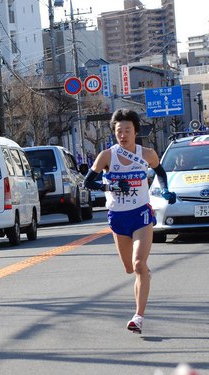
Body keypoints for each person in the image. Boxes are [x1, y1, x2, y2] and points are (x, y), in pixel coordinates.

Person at [83, 108, 176, 334]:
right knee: (129, 268)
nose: (123, 135)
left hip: (141, 214)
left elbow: (160, 173)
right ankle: (144, 273)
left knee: (138, 264)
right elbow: (87, 182)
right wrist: (111, 186)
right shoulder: (107, 156)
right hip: (118, 217)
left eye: (127, 130)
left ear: (136, 131)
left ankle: (138, 317)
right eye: (118, 131)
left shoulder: (148, 154)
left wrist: (164, 191)